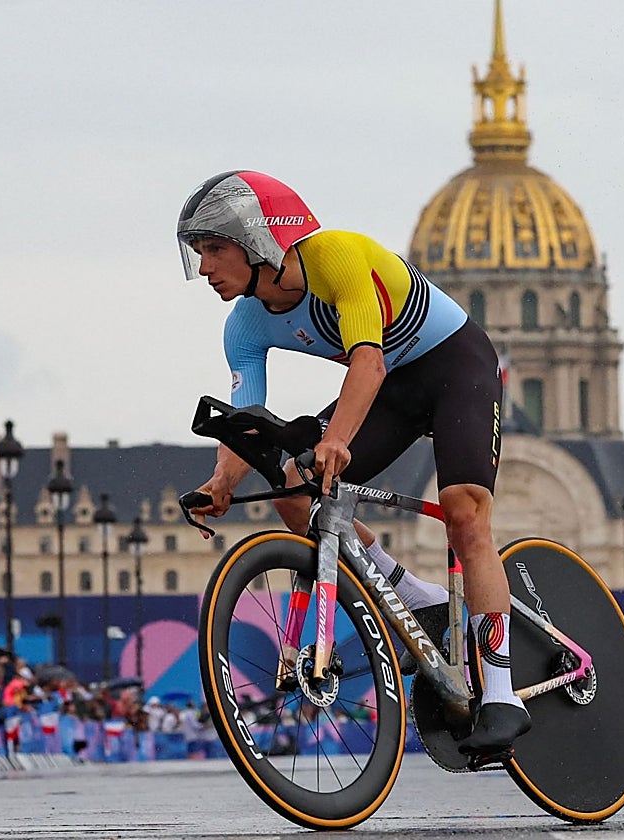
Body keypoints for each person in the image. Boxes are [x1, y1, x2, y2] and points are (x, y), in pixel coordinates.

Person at [178, 170, 528, 755]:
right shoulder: (242, 323)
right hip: (390, 389)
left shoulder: (336, 256)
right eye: (199, 254)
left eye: (215, 248)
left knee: (465, 513)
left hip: (451, 367)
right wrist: (219, 480)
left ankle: (500, 693)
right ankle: (416, 599)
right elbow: (247, 421)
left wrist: (337, 440)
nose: (206, 267)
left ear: (257, 239)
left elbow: (367, 362)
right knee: (290, 485)